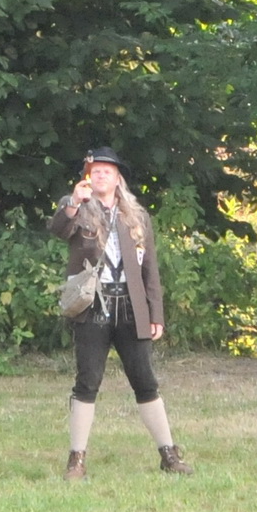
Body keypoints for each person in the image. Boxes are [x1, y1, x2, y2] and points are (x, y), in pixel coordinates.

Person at [50, 147, 192, 479]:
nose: (101, 175)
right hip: (92, 306)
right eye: (95, 171)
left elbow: (150, 270)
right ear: (88, 176)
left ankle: (169, 454)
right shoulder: (76, 208)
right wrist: (73, 201)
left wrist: (156, 312)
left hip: (132, 306)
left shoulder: (137, 215)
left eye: (107, 171)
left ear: (117, 177)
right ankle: (77, 459)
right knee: (87, 383)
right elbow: (58, 230)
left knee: (145, 382)